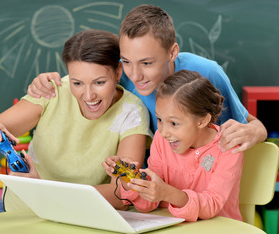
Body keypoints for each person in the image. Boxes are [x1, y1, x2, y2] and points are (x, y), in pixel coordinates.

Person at [27, 4, 267, 153]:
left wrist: (254, 132)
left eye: (147, 63)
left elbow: (252, 123)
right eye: (127, 61)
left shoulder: (207, 73)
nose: (135, 74)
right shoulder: (120, 75)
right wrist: (46, 80)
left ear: (172, 52)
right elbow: (86, 78)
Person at [0, 29, 152, 211]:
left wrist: (46, 192)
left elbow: (121, 193)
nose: (88, 95)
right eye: (77, 83)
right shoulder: (52, 91)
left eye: (99, 82)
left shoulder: (132, 112)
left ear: (118, 72)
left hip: (81, 217)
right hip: (24, 210)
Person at [103, 70, 244, 222]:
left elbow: (212, 204)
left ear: (202, 121)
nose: (163, 132)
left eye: (174, 123)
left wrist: (167, 193)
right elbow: (147, 205)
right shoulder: (162, 140)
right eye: (159, 119)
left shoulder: (228, 147)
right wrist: (129, 179)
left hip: (220, 230)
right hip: (172, 229)